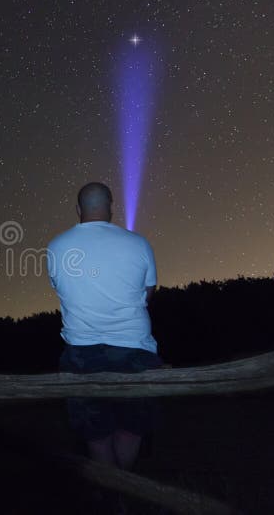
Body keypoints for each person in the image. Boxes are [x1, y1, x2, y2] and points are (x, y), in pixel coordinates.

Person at [46, 181, 163, 472]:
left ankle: (111, 495)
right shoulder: (139, 243)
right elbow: (147, 294)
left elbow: (61, 289)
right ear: (111, 206)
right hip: (135, 351)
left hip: (81, 354)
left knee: (96, 437)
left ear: (77, 209)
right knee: (131, 430)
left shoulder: (56, 247)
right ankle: (126, 488)